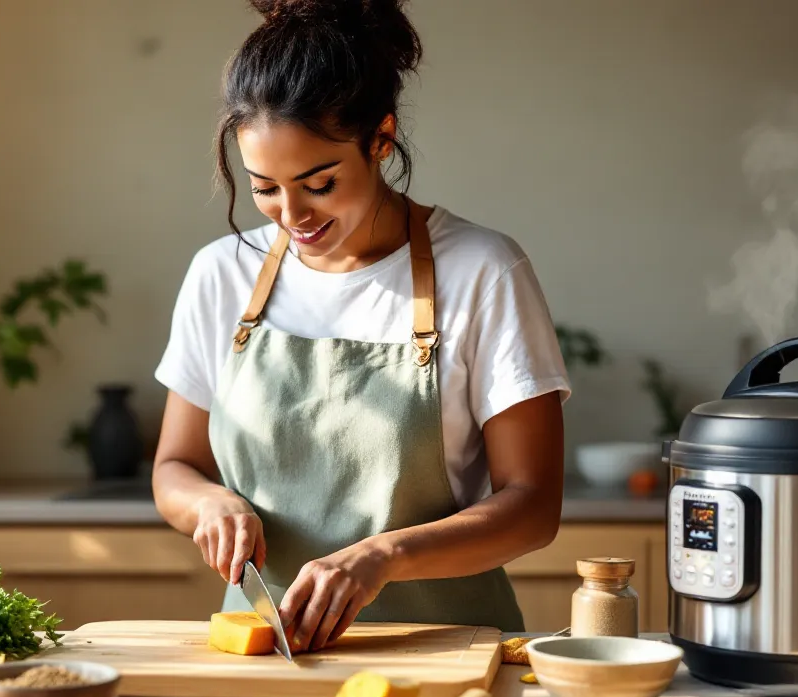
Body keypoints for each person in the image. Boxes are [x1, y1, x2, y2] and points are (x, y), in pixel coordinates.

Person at [152, 0, 570, 653]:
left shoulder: (483, 269)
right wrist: (209, 504)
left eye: (319, 183)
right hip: (269, 655)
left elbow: (534, 507)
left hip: (448, 652)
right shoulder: (221, 273)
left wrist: (385, 556)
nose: (292, 215)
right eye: (264, 187)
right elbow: (175, 467)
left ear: (380, 137)